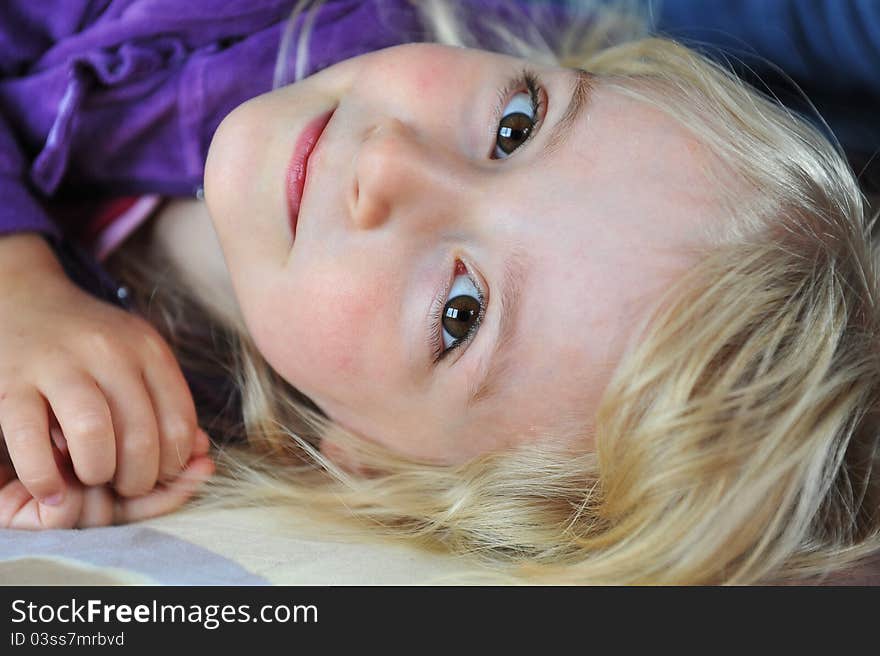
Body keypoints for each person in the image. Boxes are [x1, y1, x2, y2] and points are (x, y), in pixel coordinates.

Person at [0, 0, 878, 585]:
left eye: (461, 314)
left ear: (380, 469)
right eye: (516, 125)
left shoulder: (187, 439)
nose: (390, 160)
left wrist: (53, 462)